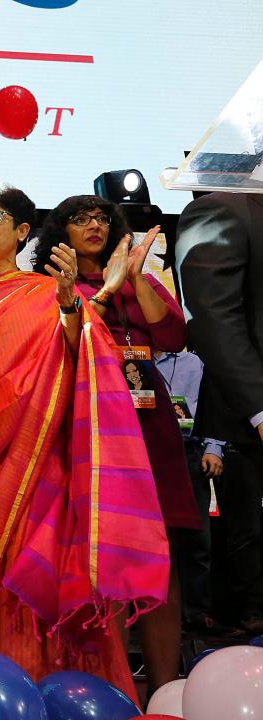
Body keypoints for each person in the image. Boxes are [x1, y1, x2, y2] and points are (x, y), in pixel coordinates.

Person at [0, 185, 168, 699]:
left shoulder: (44, 290)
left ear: (20, 232)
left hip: (30, 451)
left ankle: (44, 684)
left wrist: (68, 306)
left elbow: (77, 349)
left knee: (22, 567)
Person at [33, 195, 200, 695]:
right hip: (94, 433)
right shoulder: (55, 286)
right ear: (60, 231)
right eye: (80, 219)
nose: (94, 226)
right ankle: (111, 687)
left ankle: (165, 689)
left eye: (102, 218)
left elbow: (172, 335)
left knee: (160, 557)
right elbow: (66, 344)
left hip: (152, 432)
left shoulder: (137, 282)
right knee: (102, 558)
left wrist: (133, 278)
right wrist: (101, 292)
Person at [176, 191, 263, 635]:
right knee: (243, 529)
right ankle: (248, 612)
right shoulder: (225, 209)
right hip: (241, 427)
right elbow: (214, 319)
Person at [152, 350, 233, 635]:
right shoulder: (132, 356)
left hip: (189, 452)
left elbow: (213, 410)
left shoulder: (193, 362)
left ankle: (197, 613)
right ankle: (149, 616)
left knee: (197, 539)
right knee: (152, 539)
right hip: (147, 453)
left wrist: (214, 448)